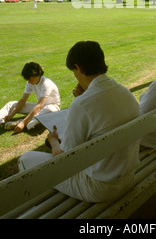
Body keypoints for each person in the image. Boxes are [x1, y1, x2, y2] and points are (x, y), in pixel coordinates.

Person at [18, 41, 140, 203]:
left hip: (99, 188)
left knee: (25, 160)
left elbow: (64, 159)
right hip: (128, 177)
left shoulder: (82, 104)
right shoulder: (124, 92)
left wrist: (53, 141)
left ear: (79, 68)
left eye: (74, 72)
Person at [0, 62, 60, 134]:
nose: (29, 81)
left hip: (51, 108)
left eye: (30, 79)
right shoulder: (30, 82)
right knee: (11, 104)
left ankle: (20, 123)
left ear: (37, 74)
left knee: (50, 109)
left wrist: (23, 122)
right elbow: (23, 100)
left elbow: (39, 106)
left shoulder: (47, 83)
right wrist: (11, 114)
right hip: (39, 107)